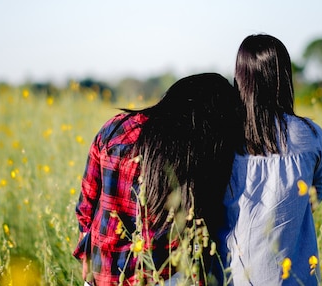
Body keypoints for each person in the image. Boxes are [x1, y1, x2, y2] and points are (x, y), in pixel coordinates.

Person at [74, 73, 242, 285]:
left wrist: (85, 251)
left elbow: (86, 205)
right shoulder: (193, 153)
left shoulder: (115, 129)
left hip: (103, 274)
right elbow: (197, 231)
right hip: (162, 276)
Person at [221, 34, 322, 285]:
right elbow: (316, 195)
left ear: (241, 78)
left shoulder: (226, 136)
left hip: (236, 276)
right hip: (298, 277)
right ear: (284, 78)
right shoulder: (311, 135)